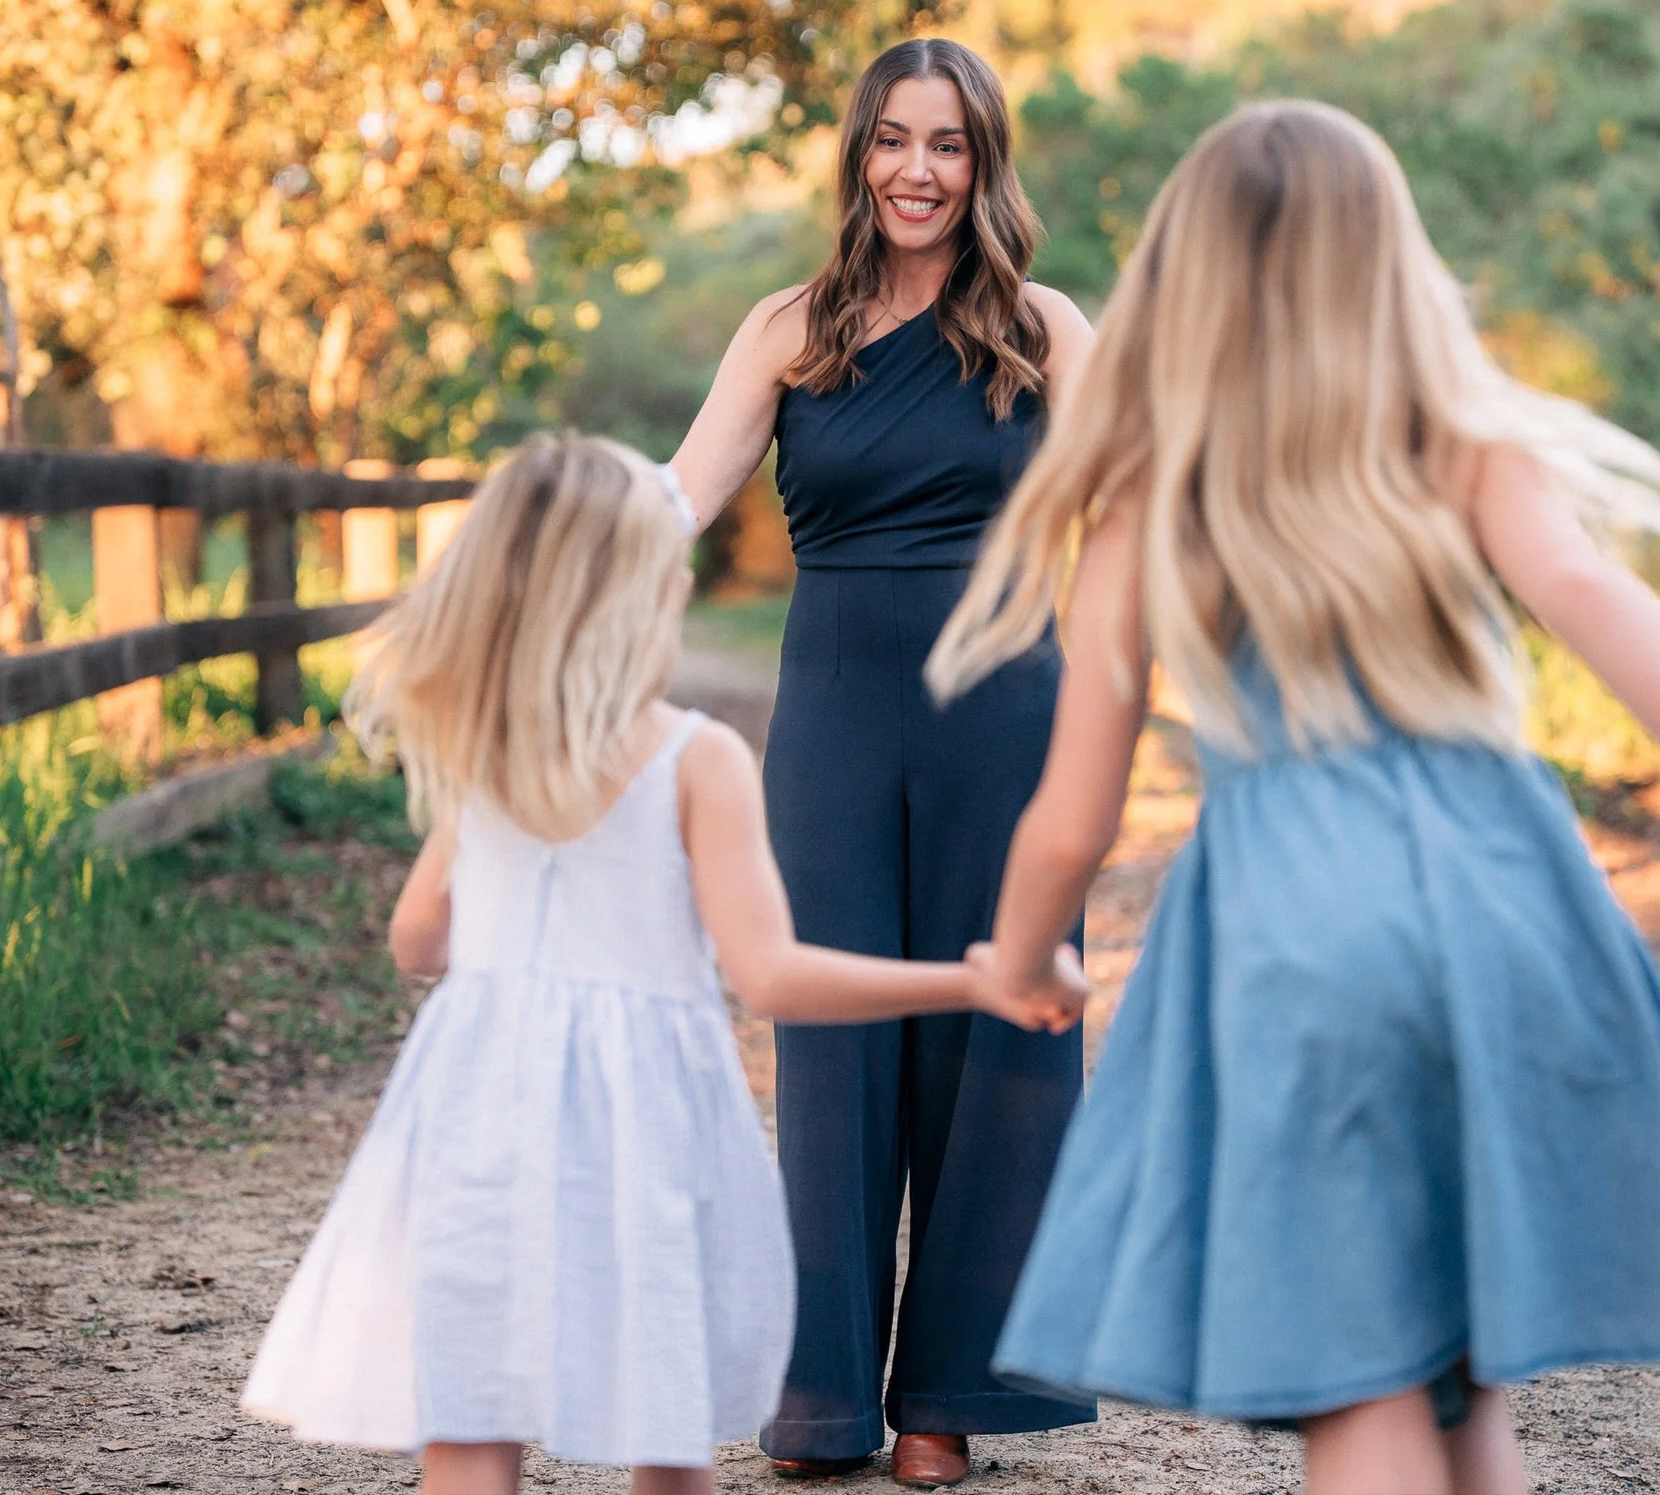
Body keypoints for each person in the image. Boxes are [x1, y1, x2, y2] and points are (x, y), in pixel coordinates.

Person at [926, 101, 1660, 1495]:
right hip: (1505, 899)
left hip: (1291, 929)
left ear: (1184, 281)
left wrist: (1019, 959)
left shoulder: (1149, 491)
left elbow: (1074, 812)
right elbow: (1595, 597)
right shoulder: (1454, 435)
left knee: (1362, 1384)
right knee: (1458, 1368)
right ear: (1389, 259)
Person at [239, 432, 1086, 1495]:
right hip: (640, 1122)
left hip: (472, 1110)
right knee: (663, 1409)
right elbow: (772, 977)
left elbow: (418, 939)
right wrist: (972, 979)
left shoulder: (486, 749)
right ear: (643, 589)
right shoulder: (696, 758)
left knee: (470, 1419)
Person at [669, 37, 1098, 1487]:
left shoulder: (1045, 327)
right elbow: (677, 495)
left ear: (986, 164)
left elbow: (1133, 512)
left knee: (994, 1042)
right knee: (832, 1032)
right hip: (835, 712)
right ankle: (823, 1391)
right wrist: (542, 574)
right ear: (860, 154)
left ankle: (946, 1396)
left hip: (1009, 713)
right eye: (896, 140)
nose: (920, 169)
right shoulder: (790, 327)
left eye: (951, 144)